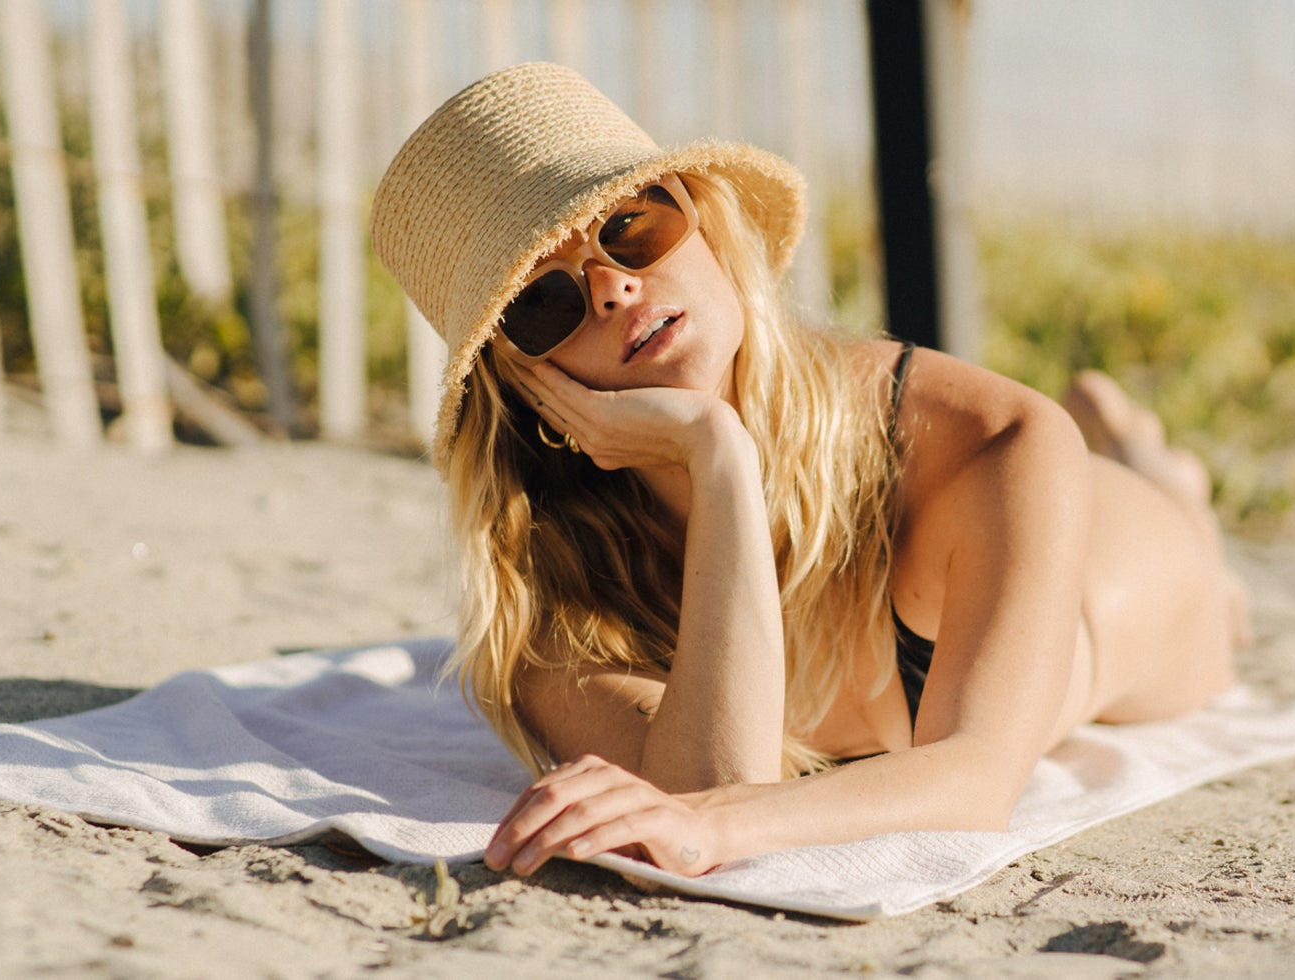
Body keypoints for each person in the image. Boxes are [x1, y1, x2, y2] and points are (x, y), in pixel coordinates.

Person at [366, 63, 1238, 877]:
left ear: (703, 218)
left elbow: (974, 783)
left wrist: (716, 826)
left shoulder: (989, 437)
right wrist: (719, 462)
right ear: (518, 383)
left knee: (1206, 591)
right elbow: (712, 778)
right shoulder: (550, 601)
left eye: (632, 228)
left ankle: (1152, 469)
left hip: (1132, 585)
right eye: (545, 302)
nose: (610, 291)